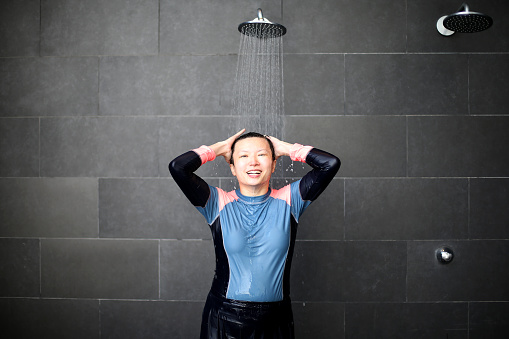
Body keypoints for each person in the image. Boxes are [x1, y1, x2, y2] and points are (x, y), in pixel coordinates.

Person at [169, 129, 340, 338]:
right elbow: (178, 168)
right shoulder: (217, 202)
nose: (253, 162)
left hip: (276, 320)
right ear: (232, 167)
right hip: (224, 317)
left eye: (262, 155)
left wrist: (287, 148)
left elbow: (329, 164)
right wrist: (218, 149)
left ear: (274, 163)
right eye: (243, 156)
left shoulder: (291, 200)